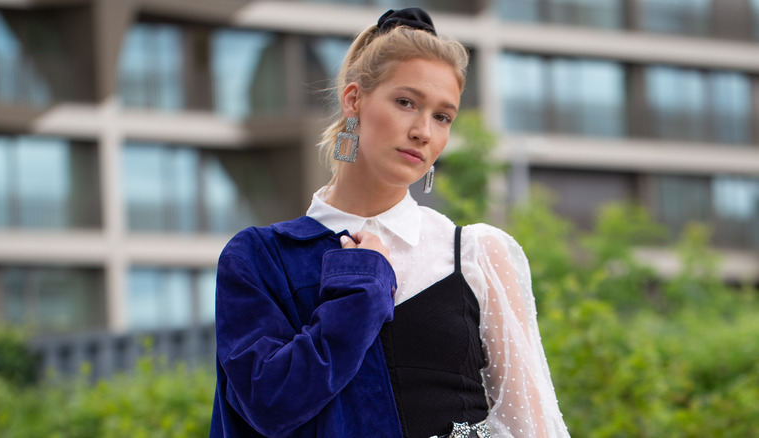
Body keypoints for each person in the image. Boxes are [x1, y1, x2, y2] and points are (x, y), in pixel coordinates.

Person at [210, 7, 569, 438]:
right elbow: (268, 405)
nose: (423, 131)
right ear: (354, 100)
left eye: (442, 116)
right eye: (406, 103)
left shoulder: (475, 253)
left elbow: (530, 427)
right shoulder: (260, 257)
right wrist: (363, 288)